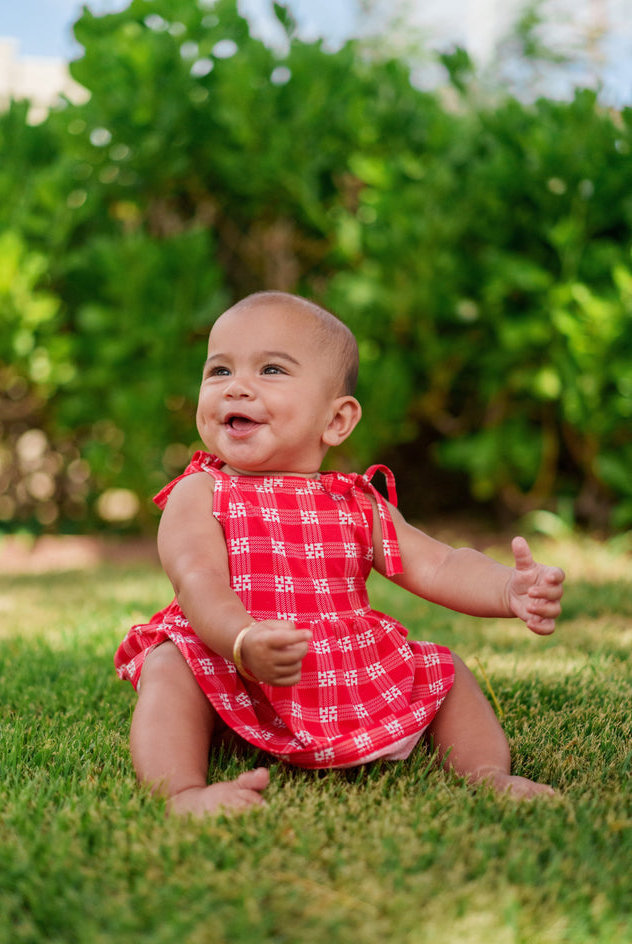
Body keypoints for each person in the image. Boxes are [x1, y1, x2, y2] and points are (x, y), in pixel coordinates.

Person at [115, 291, 565, 817]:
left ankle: (488, 774)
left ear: (337, 421)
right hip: (230, 660)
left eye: (272, 370)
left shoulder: (356, 501)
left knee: (445, 671)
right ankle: (183, 793)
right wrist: (242, 639)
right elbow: (198, 579)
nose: (236, 386)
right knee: (172, 665)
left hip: (333, 661)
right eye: (218, 371)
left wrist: (507, 589)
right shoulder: (200, 492)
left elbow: (436, 563)